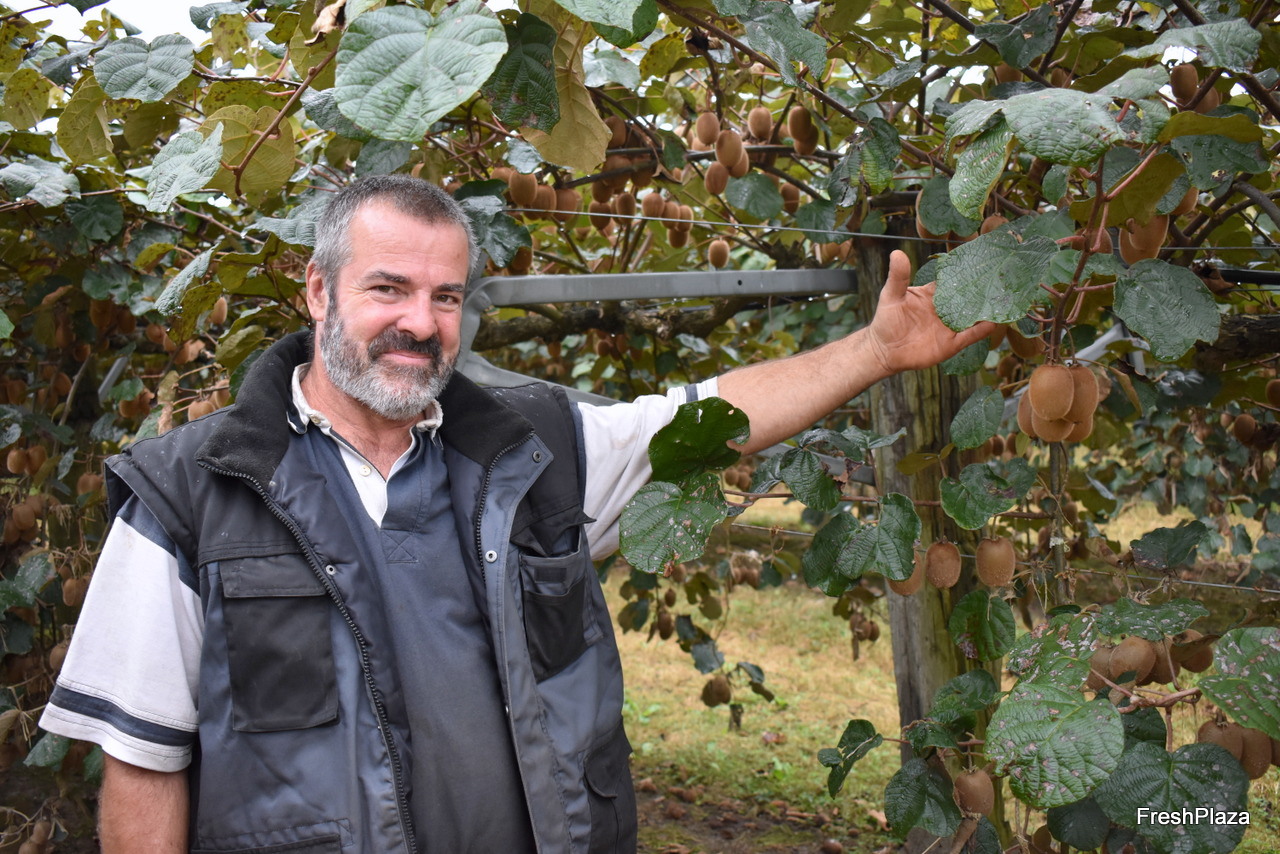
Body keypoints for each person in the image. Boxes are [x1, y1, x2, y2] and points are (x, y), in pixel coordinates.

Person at [39, 175, 992, 853]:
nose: (421, 323)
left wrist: (874, 353)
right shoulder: (188, 491)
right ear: (319, 291)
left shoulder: (536, 450)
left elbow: (709, 419)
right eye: (388, 288)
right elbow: (144, 764)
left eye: (446, 296)